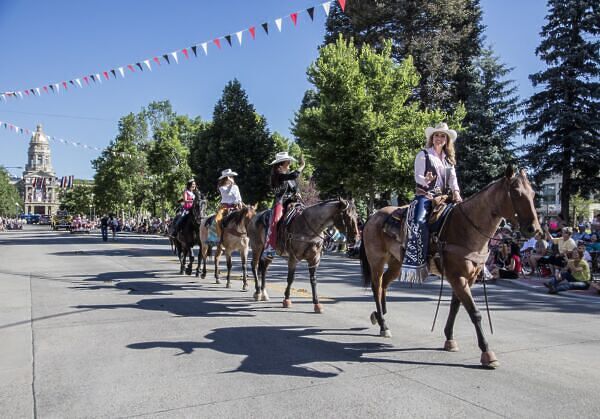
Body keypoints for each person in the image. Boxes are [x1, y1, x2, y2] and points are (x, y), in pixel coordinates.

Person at [402, 122, 462, 281]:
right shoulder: (424, 154)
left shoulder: (449, 160)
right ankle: (418, 261)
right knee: (419, 222)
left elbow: (453, 180)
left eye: (442, 136)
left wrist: (456, 193)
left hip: (443, 197)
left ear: (446, 140)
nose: (439, 138)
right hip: (426, 196)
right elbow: (417, 176)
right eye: (437, 135)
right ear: (432, 138)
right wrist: (426, 180)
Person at [262, 151, 305, 260]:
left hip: (293, 202)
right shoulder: (278, 174)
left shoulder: (287, 174)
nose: (290, 162)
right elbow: (294, 175)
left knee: (307, 214)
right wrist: (302, 166)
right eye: (288, 160)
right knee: (275, 220)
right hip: (281, 202)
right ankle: (270, 248)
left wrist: (298, 192)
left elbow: (295, 187)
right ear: (282, 163)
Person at [215, 169, 243, 241]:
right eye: (230, 177)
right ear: (226, 178)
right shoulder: (221, 187)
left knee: (247, 216)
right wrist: (231, 184)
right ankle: (220, 237)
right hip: (225, 207)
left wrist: (240, 202)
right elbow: (227, 193)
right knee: (217, 220)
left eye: (232, 176)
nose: (232, 178)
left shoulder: (236, 186)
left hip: (236, 206)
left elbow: (238, 196)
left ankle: (245, 235)